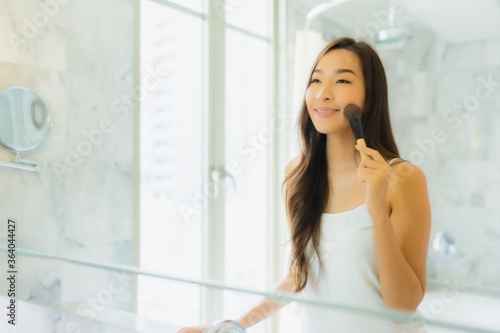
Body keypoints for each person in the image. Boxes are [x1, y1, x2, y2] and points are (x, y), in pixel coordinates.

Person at [178, 36, 431, 333]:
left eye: (342, 82)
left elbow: (403, 308)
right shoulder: (296, 174)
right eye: (315, 80)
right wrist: (236, 325)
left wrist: (377, 214)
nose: (323, 94)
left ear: (370, 96)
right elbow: (302, 272)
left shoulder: (402, 179)